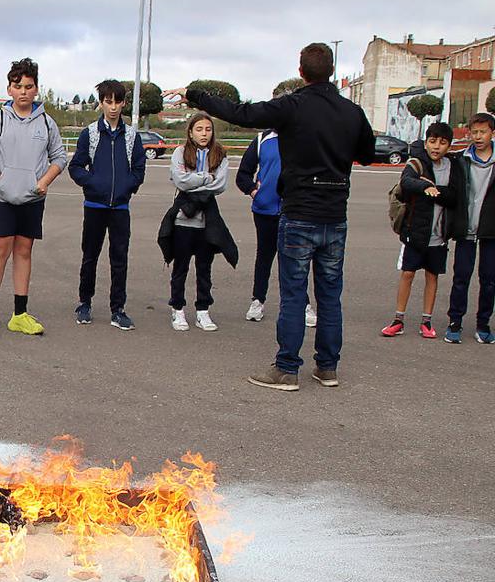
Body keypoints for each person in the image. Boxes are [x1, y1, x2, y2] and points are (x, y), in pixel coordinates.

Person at [171, 43, 375, 391]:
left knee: (294, 293)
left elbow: (243, 113)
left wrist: (196, 95)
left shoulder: (293, 106)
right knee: (329, 293)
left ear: (301, 71)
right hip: (334, 213)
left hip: (298, 212)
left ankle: (287, 368)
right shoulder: (351, 111)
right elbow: (368, 154)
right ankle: (327, 366)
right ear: (331, 70)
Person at [0, 58, 67, 337]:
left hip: (32, 199)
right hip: (2, 199)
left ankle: (20, 314)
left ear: (36, 89)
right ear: (9, 89)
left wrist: (44, 182)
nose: (23, 91)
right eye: (18, 86)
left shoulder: (47, 123)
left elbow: (59, 157)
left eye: (29, 86)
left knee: (24, 251)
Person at [67, 79, 146, 331]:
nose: (112, 107)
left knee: (119, 258)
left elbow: (139, 169)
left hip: (120, 209)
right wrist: (92, 185)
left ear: (124, 103)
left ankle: (118, 309)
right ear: (101, 103)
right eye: (108, 101)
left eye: (117, 101)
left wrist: (126, 188)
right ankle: (84, 303)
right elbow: (76, 166)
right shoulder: (89, 133)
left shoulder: (132, 136)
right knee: (90, 255)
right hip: (94, 206)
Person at [158, 112, 237, 332]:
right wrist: (205, 177)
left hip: (207, 221)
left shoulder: (220, 154)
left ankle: (203, 310)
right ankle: (178, 308)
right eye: (199, 129)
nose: (204, 134)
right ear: (191, 133)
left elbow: (220, 185)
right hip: (184, 220)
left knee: (204, 268)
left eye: (208, 129)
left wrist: (198, 181)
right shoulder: (180, 153)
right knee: (180, 267)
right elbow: (180, 180)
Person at [382, 122, 459, 339]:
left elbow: (454, 196)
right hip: (415, 232)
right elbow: (406, 182)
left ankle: (427, 320)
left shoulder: (452, 167)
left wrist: (437, 192)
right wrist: (425, 187)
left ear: (449, 146)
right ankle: (398, 319)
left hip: (439, 235)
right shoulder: (416, 163)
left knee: (432, 276)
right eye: (432, 141)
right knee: (407, 274)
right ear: (425, 143)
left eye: (442, 143)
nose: (436, 147)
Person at [237, 127, 317, 327]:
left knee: (295, 260)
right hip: (265, 211)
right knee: (264, 256)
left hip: (295, 210)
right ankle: (257, 300)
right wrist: (255, 191)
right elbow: (243, 175)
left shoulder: (304, 136)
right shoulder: (262, 139)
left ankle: (303, 304)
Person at [444, 112, 495, 344]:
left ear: (492, 133)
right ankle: (455, 321)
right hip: (465, 228)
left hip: (490, 229)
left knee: (489, 279)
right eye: (474, 132)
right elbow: (425, 151)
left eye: (483, 132)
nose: (478, 136)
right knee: (461, 277)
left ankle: (483, 324)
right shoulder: (461, 159)